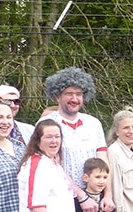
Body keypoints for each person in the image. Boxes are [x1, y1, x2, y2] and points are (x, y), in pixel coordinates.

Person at [42, 67, 110, 195]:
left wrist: (108, 195)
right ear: (58, 97)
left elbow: (103, 162)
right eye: (69, 94)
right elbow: (51, 164)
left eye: (78, 94)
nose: (74, 99)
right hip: (61, 196)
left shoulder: (94, 123)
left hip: (93, 196)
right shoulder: (46, 124)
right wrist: (81, 195)